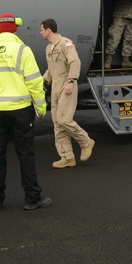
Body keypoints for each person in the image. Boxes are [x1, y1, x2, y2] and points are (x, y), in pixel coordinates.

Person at [0, 13, 51, 211]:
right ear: (15, 28)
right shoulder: (23, 51)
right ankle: (31, 199)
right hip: (20, 111)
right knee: (25, 154)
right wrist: (41, 107)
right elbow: (35, 82)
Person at [41, 18, 95, 168]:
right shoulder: (48, 48)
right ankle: (67, 157)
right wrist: (41, 82)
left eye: (42, 30)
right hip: (56, 86)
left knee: (64, 119)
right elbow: (51, 70)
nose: (41, 32)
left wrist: (71, 81)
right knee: (57, 123)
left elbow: (75, 63)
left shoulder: (66, 43)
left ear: (48, 30)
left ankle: (86, 141)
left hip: (67, 84)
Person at [104, 0, 132, 69]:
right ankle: (108, 59)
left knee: (130, 38)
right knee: (114, 36)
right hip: (120, 13)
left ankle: (126, 60)